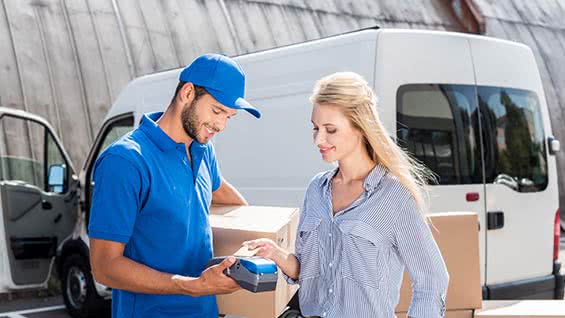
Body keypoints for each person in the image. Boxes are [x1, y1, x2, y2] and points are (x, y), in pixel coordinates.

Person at [244, 72, 449, 317]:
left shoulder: (394, 197)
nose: (319, 139)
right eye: (315, 128)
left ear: (361, 127)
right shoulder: (316, 190)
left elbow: (432, 280)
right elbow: (309, 272)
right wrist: (276, 254)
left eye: (330, 129)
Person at [88, 53, 261, 318]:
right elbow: (104, 266)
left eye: (229, 116)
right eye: (217, 111)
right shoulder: (125, 161)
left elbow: (233, 204)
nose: (221, 125)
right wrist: (192, 286)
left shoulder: (203, 151)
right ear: (187, 93)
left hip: (204, 312)